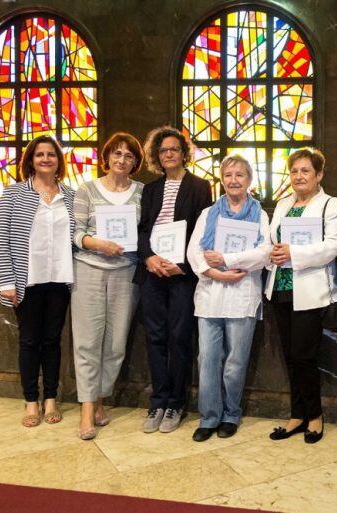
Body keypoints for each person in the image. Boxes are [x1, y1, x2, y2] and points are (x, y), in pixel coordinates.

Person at [265, 148, 337, 444]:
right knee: (289, 356)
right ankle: (296, 415)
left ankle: (314, 415)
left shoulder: (332, 206)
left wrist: (293, 252)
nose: (299, 176)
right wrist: (271, 252)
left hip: (311, 292)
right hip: (280, 289)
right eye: (294, 171)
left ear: (319, 174)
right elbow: (271, 240)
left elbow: (332, 247)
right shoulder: (283, 205)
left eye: (305, 171)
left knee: (304, 357)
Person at [187, 155, 270, 442]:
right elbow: (193, 251)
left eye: (240, 175)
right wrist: (215, 272)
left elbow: (264, 253)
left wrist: (228, 258)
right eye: (228, 175)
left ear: (249, 180)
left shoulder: (259, 214)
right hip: (210, 295)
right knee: (208, 359)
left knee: (235, 362)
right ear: (222, 180)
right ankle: (209, 417)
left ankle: (231, 414)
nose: (234, 180)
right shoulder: (208, 213)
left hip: (242, 296)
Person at [135, 126, 212, 434]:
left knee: (179, 338)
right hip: (153, 273)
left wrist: (182, 266)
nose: (168, 155)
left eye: (174, 150)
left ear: (184, 153)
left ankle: (176, 403)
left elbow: (202, 229)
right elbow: (141, 230)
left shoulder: (199, 186)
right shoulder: (150, 190)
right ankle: (158, 401)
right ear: (157, 156)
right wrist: (149, 258)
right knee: (155, 338)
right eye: (163, 151)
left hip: (181, 274)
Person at [0, 135, 75, 427]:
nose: (45, 159)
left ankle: (50, 398)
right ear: (30, 160)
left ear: (58, 160)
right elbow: (1, 241)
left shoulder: (71, 195)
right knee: (29, 341)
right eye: (39, 154)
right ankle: (31, 401)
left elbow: (76, 237)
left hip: (60, 279)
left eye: (50, 154)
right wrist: (6, 281)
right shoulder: (14, 193)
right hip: (26, 280)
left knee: (52, 341)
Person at [70, 132, 144, 440]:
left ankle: (100, 400)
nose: (122, 160)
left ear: (135, 163)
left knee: (115, 345)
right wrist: (98, 244)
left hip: (126, 272)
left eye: (128, 156)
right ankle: (87, 410)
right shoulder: (87, 189)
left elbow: (149, 231)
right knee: (87, 342)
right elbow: (76, 233)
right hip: (88, 269)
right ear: (107, 157)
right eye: (117, 154)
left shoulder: (142, 192)